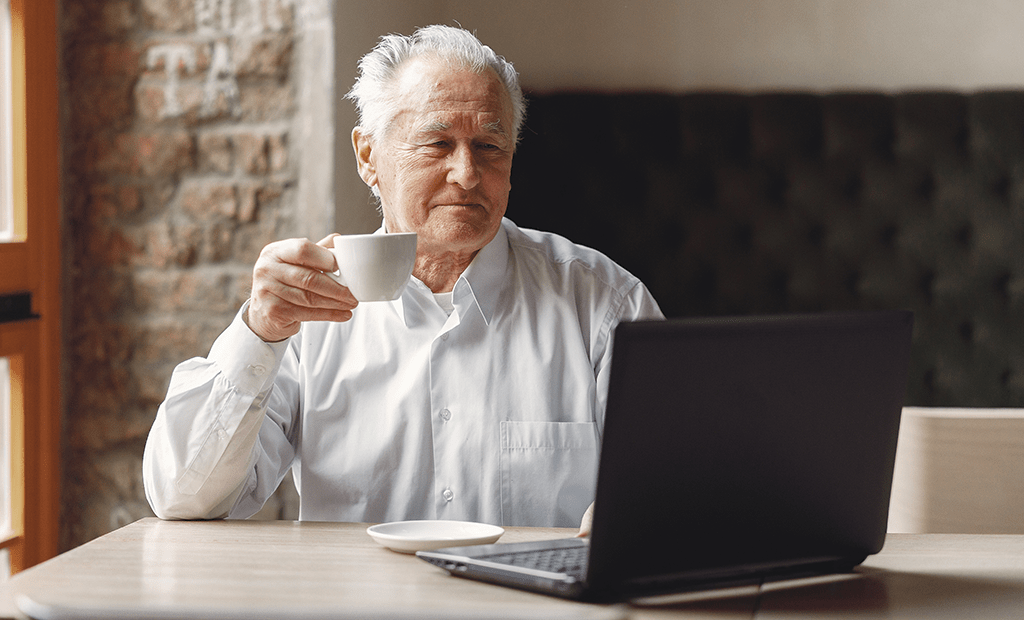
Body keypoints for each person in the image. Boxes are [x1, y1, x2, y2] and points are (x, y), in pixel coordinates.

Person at [142, 25, 663, 533]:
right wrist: (258, 332)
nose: (466, 173)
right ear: (369, 157)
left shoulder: (604, 303)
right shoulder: (306, 311)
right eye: (438, 144)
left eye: (489, 147)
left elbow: (678, 485)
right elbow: (185, 498)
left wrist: (641, 516)